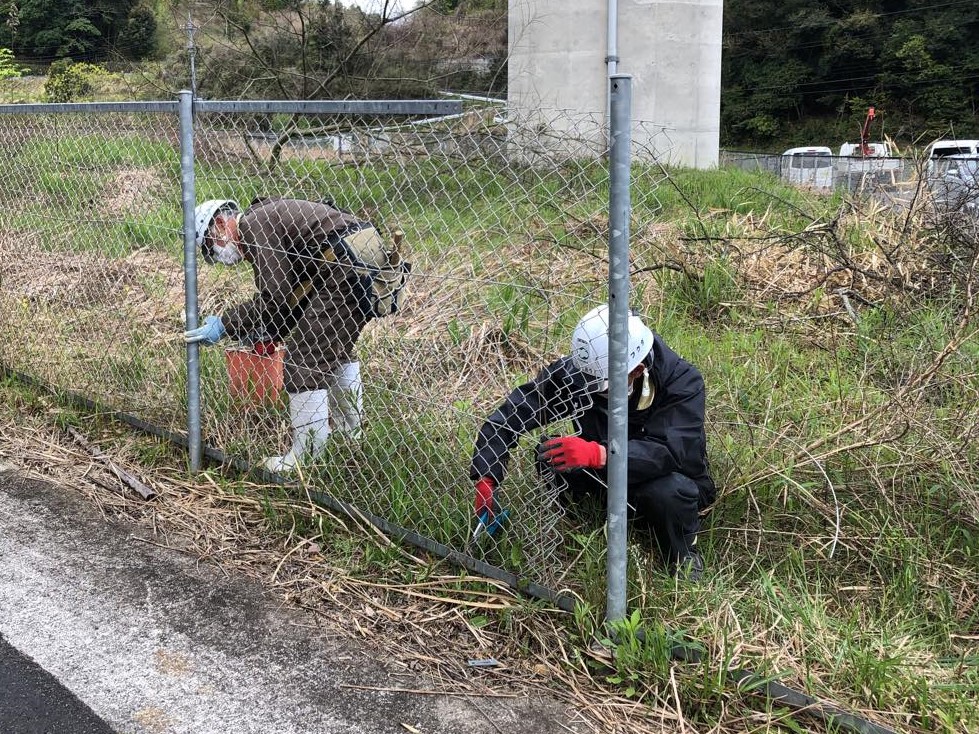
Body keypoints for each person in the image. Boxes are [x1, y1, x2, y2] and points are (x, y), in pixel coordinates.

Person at [470, 304, 716, 579]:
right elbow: (512, 414)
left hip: (662, 479)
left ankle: (683, 558)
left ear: (637, 370)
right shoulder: (585, 370)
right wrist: (486, 475)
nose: (589, 390)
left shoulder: (684, 383)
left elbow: (669, 451)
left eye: (600, 386)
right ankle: (585, 520)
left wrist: (600, 454)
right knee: (551, 455)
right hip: (603, 473)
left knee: (669, 491)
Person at [184, 197, 405, 473]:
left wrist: (225, 324)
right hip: (360, 252)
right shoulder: (264, 217)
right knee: (334, 348)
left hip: (345, 262)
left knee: (303, 360)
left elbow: (276, 297)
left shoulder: (252, 227)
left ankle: (306, 457)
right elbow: (294, 296)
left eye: (210, 246)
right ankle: (351, 435)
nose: (217, 257)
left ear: (219, 224)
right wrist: (270, 332)